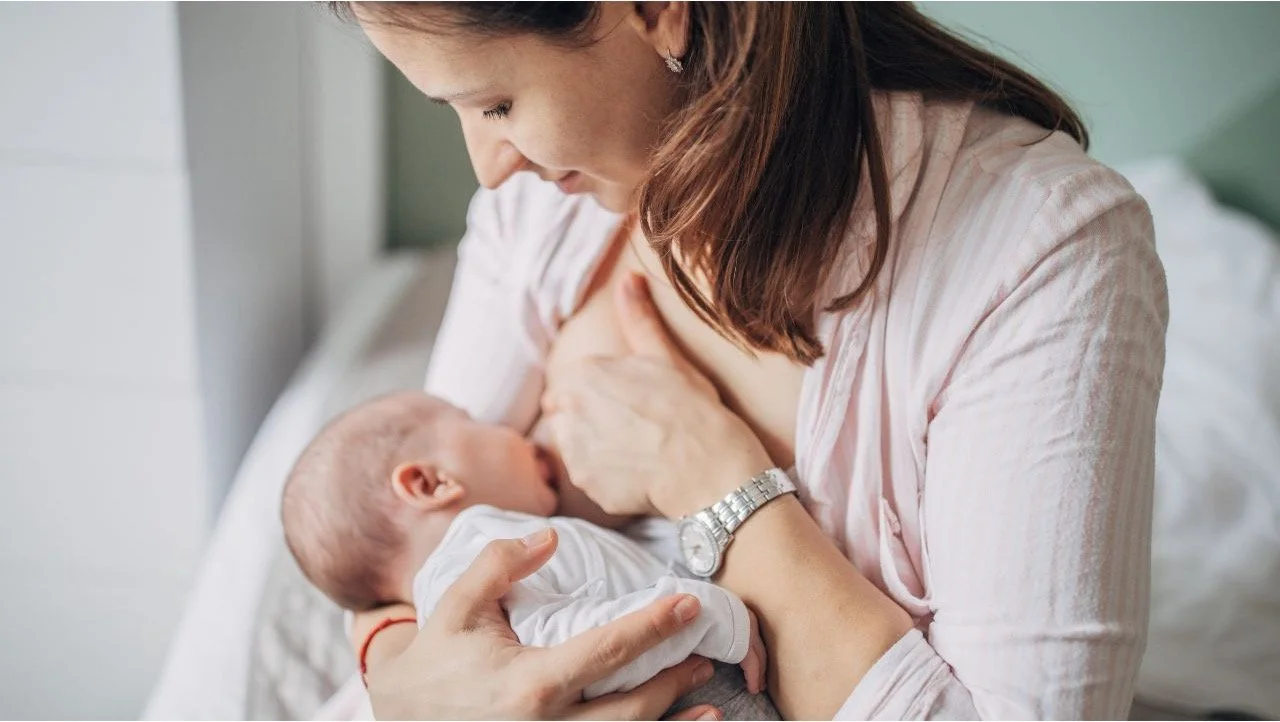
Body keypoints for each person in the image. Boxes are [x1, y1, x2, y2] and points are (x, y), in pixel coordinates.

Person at [338, 2, 1169, 719]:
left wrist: (711, 480)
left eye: (497, 104)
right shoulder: (544, 210)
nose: (489, 169)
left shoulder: (1043, 253)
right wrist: (399, 672)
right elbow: (391, 533)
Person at [280, 391, 777, 718]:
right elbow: (565, 653)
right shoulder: (476, 555)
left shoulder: (465, 580)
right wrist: (710, 616)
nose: (516, 432)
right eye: (473, 422)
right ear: (431, 483)